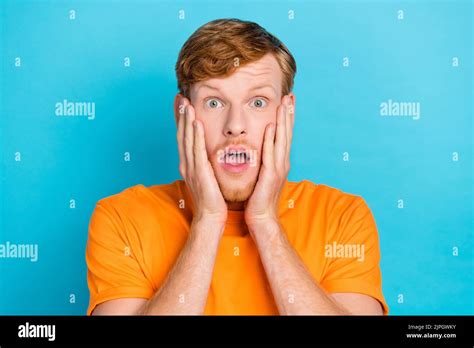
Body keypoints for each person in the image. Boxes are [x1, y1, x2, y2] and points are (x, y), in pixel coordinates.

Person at [86, 18, 388, 315]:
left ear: (287, 113)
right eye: (214, 103)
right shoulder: (121, 219)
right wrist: (208, 221)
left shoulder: (342, 217)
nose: (235, 126)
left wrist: (265, 221)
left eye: (257, 102)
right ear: (182, 115)